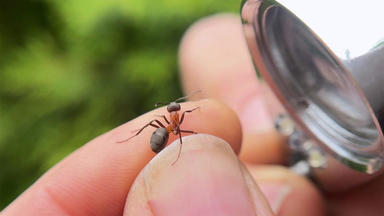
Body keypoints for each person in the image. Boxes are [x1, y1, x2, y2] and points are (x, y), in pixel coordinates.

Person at [2, 14, 383, 216]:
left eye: (175, 110)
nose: (175, 113)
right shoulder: (169, 126)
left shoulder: (175, 123)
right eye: (174, 110)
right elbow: (169, 125)